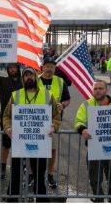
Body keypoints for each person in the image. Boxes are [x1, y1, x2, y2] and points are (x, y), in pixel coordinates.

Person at [2, 67, 62, 203]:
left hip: (40, 143)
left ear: (35, 77)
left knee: (39, 175)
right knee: (16, 174)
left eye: (31, 75)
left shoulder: (47, 95)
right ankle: (12, 199)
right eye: (26, 75)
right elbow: (6, 115)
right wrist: (8, 127)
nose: (29, 77)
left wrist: (54, 126)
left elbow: (56, 117)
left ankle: (41, 200)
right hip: (20, 142)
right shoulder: (16, 95)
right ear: (23, 78)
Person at [74, 80, 111, 203]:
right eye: (95, 89)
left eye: (101, 88)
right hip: (94, 149)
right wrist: (83, 130)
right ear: (92, 91)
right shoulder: (86, 104)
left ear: (106, 90)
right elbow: (79, 121)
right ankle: (98, 198)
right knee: (95, 178)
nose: (98, 91)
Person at [38, 57, 71, 188]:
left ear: (55, 68)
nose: (49, 68)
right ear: (42, 67)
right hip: (37, 120)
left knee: (52, 149)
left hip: (54, 121)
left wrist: (63, 105)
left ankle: (50, 174)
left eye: (52, 66)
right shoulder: (36, 80)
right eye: (47, 66)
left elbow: (67, 99)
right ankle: (32, 174)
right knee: (34, 148)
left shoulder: (60, 81)